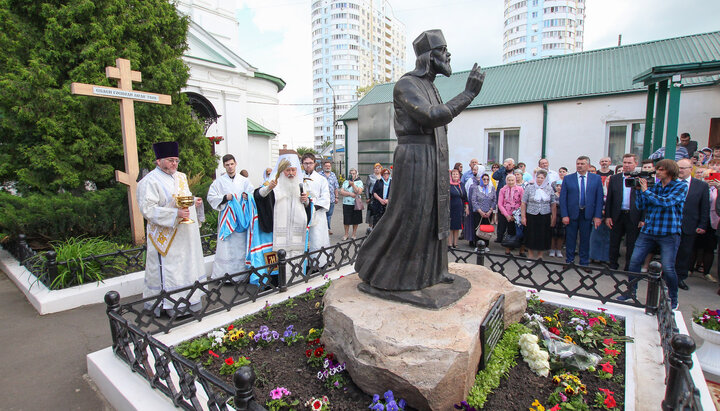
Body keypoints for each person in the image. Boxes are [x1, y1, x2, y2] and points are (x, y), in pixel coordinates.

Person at [355, 29, 485, 291]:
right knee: (410, 215)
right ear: (428, 56)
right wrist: (467, 95)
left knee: (434, 214)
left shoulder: (431, 86)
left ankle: (433, 272)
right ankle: (384, 271)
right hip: (415, 157)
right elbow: (431, 116)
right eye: (442, 50)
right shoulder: (407, 84)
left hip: (433, 156)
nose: (448, 55)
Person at [137, 141, 205, 317]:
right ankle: (168, 306)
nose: (174, 163)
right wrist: (174, 214)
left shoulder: (180, 177)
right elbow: (148, 209)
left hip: (183, 234)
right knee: (170, 270)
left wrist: (194, 201)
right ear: (158, 161)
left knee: (185, 267)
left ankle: (188, 301)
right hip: (164, 235)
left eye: (176, 160)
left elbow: (184, 198)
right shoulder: (149, 181)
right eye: (170, 160)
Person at [620, 159, 687, 309]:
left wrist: (646, 191)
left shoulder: (680, 187)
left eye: (661, 169)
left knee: (668, 268)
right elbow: (642, 205)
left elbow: (665, 202)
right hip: (649, 230)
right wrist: (639, 191)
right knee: (634, 261)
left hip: (669, 232)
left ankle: (672, 299)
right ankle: (631, 292)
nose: (658, 172)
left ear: (670, 171)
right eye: (658, 169)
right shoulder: (655, 187)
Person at [255, 151, 312, 259]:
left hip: (297, 232)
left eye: (293, 170)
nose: (291, 173)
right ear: (282, 171)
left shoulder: (301, 185)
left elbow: (307, 206)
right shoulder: (274, 184)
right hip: (279, 233)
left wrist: (306, 201)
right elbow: (259, 196)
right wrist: (269, 188)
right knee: (281, 260)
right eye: (288, 170)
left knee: (297, 258)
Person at [207, 154, 254, 281]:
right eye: (227, 165)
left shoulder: (244, 181)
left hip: (241, 219)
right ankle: (225, 275)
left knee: (240, 246)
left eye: (232, 164)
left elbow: (251, 193)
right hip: (226, 218)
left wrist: (247, 196)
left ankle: (242, 275)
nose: (230, 167)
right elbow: (211, 197)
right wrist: (224, 198)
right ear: (224, 166)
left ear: (236, 164)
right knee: (226, 246)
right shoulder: (218, 182)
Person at [560, 156, 604, 268]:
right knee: (570, 239)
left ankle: (584, 262)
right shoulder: (568, 178)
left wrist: (597, 216)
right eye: (578, 163)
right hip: (572, 213)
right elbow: (563, 198)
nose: (579, 165)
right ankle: (569, 261)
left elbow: (599, 198)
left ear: (588, 165)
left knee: (585, 239)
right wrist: (564, 215)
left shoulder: (596, 178)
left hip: (587, 213)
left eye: (582, 164)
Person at [674, 158, 710, 291]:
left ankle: (680, 278)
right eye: (679, 168)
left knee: (685, 252)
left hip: (690, 225)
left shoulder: (701, 186)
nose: (680, 171)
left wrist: (702, 224)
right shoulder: (670, 183)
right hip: (671, 224)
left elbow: (704, 207)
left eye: (683, 168)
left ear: (691, 169)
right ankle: (666, 276)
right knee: (670, 252)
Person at [604, 154, 642, 271]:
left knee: (632, 243)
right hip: (617, 215)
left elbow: (646, 200)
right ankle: (613, 265)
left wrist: (643, 219)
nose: (626, 165)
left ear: (636, 163)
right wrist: (608, 216)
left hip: (634, 216)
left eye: (629, 163)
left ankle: (629, 267)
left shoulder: (640, 179)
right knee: (614, 242)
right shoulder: (615, 178)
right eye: (625, 162)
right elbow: (610, 198)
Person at [301, 153, 331, 269]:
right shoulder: (298, 178)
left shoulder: (321, 179)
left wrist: (311, 205)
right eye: (305, 163)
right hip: (301, 214)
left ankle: (318, 264)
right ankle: (304, 265)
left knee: (317, 239)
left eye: (310, 163)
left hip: (316, 214)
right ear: (302, 164)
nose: (308, 165)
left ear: (314, 164)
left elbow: (325, 198)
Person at [521, 169, 557, 259]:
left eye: (542, 178)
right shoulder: (530, 187)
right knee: (531, 234)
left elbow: (553, 203)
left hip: (545, 215)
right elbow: (523, 202)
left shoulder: (549, 188)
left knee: (543, 234)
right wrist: (523, 217)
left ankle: (540, 255)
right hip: (531, 214)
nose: (540, 179)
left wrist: (554, 217)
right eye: (538, 177)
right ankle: (530, 254)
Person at [693, 165, 718, 282]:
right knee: (694, 246)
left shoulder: (717, 189)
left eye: (711, 176)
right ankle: (689, 269)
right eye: (706, 176)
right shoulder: (699, 187)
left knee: (709, 247)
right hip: (698, 219)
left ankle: (707, 272)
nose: (709, 179)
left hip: (713, 221)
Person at [589, 158, 612, 264]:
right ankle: (593, 256)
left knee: (607, 238)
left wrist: (607, 213)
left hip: (609, 215)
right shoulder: (599, 184)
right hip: (598, 214)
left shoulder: (612, 187)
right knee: (595, 237)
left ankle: (605, 258)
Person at [497, 173, 524, 253]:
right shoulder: (503, 190)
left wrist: (515, 214)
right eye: (509, 180)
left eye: (512, 180)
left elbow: (522, 202)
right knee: (509, 232)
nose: (511, 182)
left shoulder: (520, 189)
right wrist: (507, 215)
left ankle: (520, 250)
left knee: (519, 232)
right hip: (506, 214)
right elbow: (500, 204)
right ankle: (508, 250)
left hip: (517, 214)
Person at [469, 173, 496, 251]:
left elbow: (494, 200)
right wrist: (480, 211)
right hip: (478, 212)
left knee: (486, 229)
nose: (486, 181)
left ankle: (486, 245)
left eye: (487, 179)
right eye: (484, 179)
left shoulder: (492, 188)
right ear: (481, 180)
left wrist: (490, 210)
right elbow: (474, 200)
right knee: (478, 228)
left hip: (488, 212)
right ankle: (477, 245)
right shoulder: (476, 188)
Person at [340, 168, 364, 240]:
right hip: (346, 203)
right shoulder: (345, 182)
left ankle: (354, 234)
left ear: (356, 174)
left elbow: (358, 192)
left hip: (355, 203)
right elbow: (342, 192)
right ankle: (346, 234)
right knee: (346, 220)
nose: (352, 175)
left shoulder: (359, 182)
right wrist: (350, 194)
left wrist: (353, 185)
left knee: (355, 219)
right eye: (351, 173)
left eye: (354, 173)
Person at [448, 168, 468, 247]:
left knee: (457, 226)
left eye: (456, 174)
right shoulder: (449, 185)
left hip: (459, 208)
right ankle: (449, 243)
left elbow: (465, 197)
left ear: (459, 175)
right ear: (451, 176)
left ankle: (455, 243)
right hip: (451, 207)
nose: (455, 175)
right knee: (450, 226)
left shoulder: (461, 184)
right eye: (453, 174)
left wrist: (466, 207)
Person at [320, 160, 339, 235]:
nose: (327, 167)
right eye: (326, 166)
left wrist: (336, 197)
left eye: (329, 166)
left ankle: (328, 228)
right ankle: (323, 229)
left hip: (331, 199)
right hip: (322, 199)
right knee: (322, 214)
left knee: (329, 215)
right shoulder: (319, 175)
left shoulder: (333, 175)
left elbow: (336, 187)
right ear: (323, 166)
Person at [366, 163, 383, 228]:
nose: (377, 169)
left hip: (381, 197)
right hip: (372, 197)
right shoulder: (370, 177)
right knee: (371, 213)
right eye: (375, 168)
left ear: (381, 169)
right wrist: (368, 197)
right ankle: (370, 227)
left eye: (378, 168)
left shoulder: (383, 177)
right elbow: (367, 187)